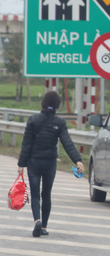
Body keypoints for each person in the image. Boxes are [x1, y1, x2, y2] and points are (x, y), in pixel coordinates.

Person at [18, 91, 84, 237]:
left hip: (34, 162)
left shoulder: (33, 120)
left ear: (43, 103)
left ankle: (37, 221)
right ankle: (44, 227)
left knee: (35, 194)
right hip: (50, 162)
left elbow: (26, 144)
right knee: (46, 194)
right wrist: (78, 160)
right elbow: (67, 142)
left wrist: (21, 164)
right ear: (57, 105)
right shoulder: (59, 122)